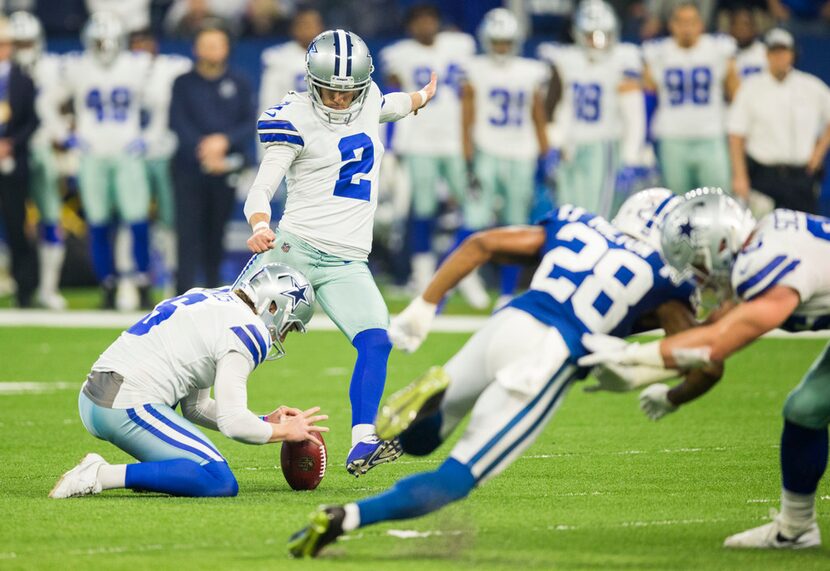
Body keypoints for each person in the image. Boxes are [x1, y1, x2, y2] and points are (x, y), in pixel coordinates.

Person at [287, 189, 724, 557]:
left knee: (422, 441)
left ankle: (427, 410)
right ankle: (347, 517)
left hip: (506, 325)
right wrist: (671, 395)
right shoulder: (664, 275)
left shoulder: (580, 225)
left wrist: (425, 305)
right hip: (548, 358)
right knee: (457, 476)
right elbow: (707, 359)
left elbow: (482, 244)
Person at [579, 189, 829, 548]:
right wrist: (668, 393)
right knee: (805, 409)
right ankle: (796, 528)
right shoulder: (765, 240)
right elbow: (713, 335)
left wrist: (630, 361)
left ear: (720, 244)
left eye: (697, 264)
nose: (698, 278)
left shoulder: (761, 261)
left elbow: (715, 345)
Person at [238, 29, 437, 476]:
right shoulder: (293, 117)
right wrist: (260, 225)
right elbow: (261, 188)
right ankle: (175, 400)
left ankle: (363, 440)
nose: (339, 101)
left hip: (347, 260)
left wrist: (419, 99)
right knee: (230, 339)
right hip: (294, 250)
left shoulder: (368, 99)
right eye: (329, 90)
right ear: (311, 81)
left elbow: (388, 107)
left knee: (376, 339)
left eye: (349, 92)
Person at [49, 262, 327, 499]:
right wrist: (285, 432)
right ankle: (99, 474)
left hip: (98, 398)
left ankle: (156, 475)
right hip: (125, 403)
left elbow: (196, 407)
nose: (282, 336)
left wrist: (266, 421)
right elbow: (233, 423)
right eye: (288, 327)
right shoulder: (249, 330)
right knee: (218, 480)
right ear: (274, 307)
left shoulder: (216, 299)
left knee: (199, 471)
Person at [50, 12, 153, 309]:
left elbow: (160, 102)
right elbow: (48, 102)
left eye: (109, 40)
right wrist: (64, 133)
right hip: (92, 153)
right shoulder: (78, 67)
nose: (104, 46)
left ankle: (142, 281)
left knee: (137, 221)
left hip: (126, 151)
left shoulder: (136, 65)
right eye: (98, 41)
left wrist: (148, 134)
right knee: (97, 222)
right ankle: (107, 284)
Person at [380, 4, 476, 296]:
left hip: (452, 141)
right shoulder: (399, 53)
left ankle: (466, 272)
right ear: (410, 26)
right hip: (419, 142)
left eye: (430, 20)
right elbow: (393, 95)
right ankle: (423, 276)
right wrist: (393, 146)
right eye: (419, 21)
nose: (425, 26)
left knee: (472, 209)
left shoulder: (460, 45)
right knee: (422, 209)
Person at [462, 8, 549, 307]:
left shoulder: (530, 71)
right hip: (487, 149)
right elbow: (467, 116)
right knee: (475, 218)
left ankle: (507, 292)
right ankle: (464, 276)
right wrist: (468, 156)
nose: (500, 47)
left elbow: (538, 115)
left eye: (505, 41)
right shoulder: (476, 68)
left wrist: (544, 153)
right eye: (496, 41)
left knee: (515, 225)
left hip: (521, 152)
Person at [538, 0, 647, 220]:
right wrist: (555, 143)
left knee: (598, 217)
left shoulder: (622, 59)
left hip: (604, 145)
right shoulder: (567, 60)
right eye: (590, 35)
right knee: (568, 211)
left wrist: (631, 157)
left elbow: (634, 114)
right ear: (577, 33)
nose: (596, 42)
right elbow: (561, 107)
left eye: (602, 35)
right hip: (572, 147)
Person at [169, 24, 256, 294]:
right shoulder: (183, 83)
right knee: (187, 233)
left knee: (216, 233)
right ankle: (182, 291)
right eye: (206, 44)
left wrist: (224, 142)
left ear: (227, 48)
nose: (212, 50)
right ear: (196, 49)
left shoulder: (239, 81)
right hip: (188, 167)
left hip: (225, 167)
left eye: (217, 44)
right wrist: (203, 148)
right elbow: (176, 122)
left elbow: (247, 121)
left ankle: (213, 292)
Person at [728, 28, 830, 215]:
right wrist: (740, 176)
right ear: (766, 55)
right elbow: (736, 135)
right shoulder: (751, 88)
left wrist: (818, 153)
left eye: (784, 51)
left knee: (803, 235)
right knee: (763, 235)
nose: (779, 57)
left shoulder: (811, 86)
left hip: (801, 176)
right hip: (764, 176)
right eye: (774, 52)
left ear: (793, 54)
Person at [642, 2, 740, 195]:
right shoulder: (657, 52)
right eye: (681, 22)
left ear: (701, 25)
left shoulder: (719, 49)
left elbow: (735, 92)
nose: (686, 27)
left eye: (691, 22)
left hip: (711, 135)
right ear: (672, 25)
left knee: (717, 199)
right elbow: (647, 91)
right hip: (672, 136)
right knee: (678, 202)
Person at [129, 29, 192, 295]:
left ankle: (170, 280)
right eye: (137, 44)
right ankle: (133, 280)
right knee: (134, 219)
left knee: (169, 220)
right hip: (130, 156)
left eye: (146, 42)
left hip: (166, 153)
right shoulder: (121, 70)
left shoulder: (173, 67)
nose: (143, 48)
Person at [9, 12, 59, 309]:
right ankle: (20, 284)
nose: (24, 48)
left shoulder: (55, 67)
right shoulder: (7, 73)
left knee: (51, 216)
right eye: (18, 42)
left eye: (28, 41)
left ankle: (48, 287)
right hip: (17, 150)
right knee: (14, 221)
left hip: (44, 147)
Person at [0, 16, 38, 309]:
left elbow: (31, 121)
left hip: (14, 161)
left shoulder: (23, 79)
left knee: (16, 226)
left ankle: (24, 289)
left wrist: (10, 144)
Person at [259, 8, 324, 115]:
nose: (310, 29)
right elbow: (269, 99)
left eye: (314, 25)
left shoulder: (332, 56)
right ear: (294, 29)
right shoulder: (278, 57)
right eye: (305, 25)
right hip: (289, 122)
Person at [728, 6, 767, 78]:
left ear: (755, 28)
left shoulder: (765, 53)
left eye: (746, 24)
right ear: (731, 29)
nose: (741, 29)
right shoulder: (725, 53)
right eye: (737, 24)